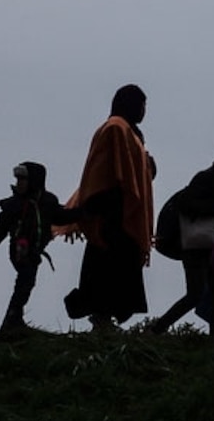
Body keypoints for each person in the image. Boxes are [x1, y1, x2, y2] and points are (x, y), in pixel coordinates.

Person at [58, 85, 157, 328]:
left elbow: (136, 170)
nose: (144, 111)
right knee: (106, 268)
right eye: (142, 105)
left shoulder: (129, 132)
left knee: (118, 268)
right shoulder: (116, 128)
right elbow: (104, 170)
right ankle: (100, 316)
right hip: (111, 210)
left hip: (121, 211)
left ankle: (103, 316)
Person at [146, 141, 214, 332]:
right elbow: (186, 203)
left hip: (212, 245)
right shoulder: (206, 178)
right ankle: (158, 328)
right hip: (195, 245)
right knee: (195, 294)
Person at [0, 161, 62, 334]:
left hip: (34, 251)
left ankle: (14, 319)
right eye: (17, 179)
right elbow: (1, 225)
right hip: (20, 251)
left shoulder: (47, 202)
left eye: (23, 179)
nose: (19, 183)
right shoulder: (14, 204)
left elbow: (60, 216)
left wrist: (84, 212)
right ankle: (12, 320)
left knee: (26, 282)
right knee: (25, 281)